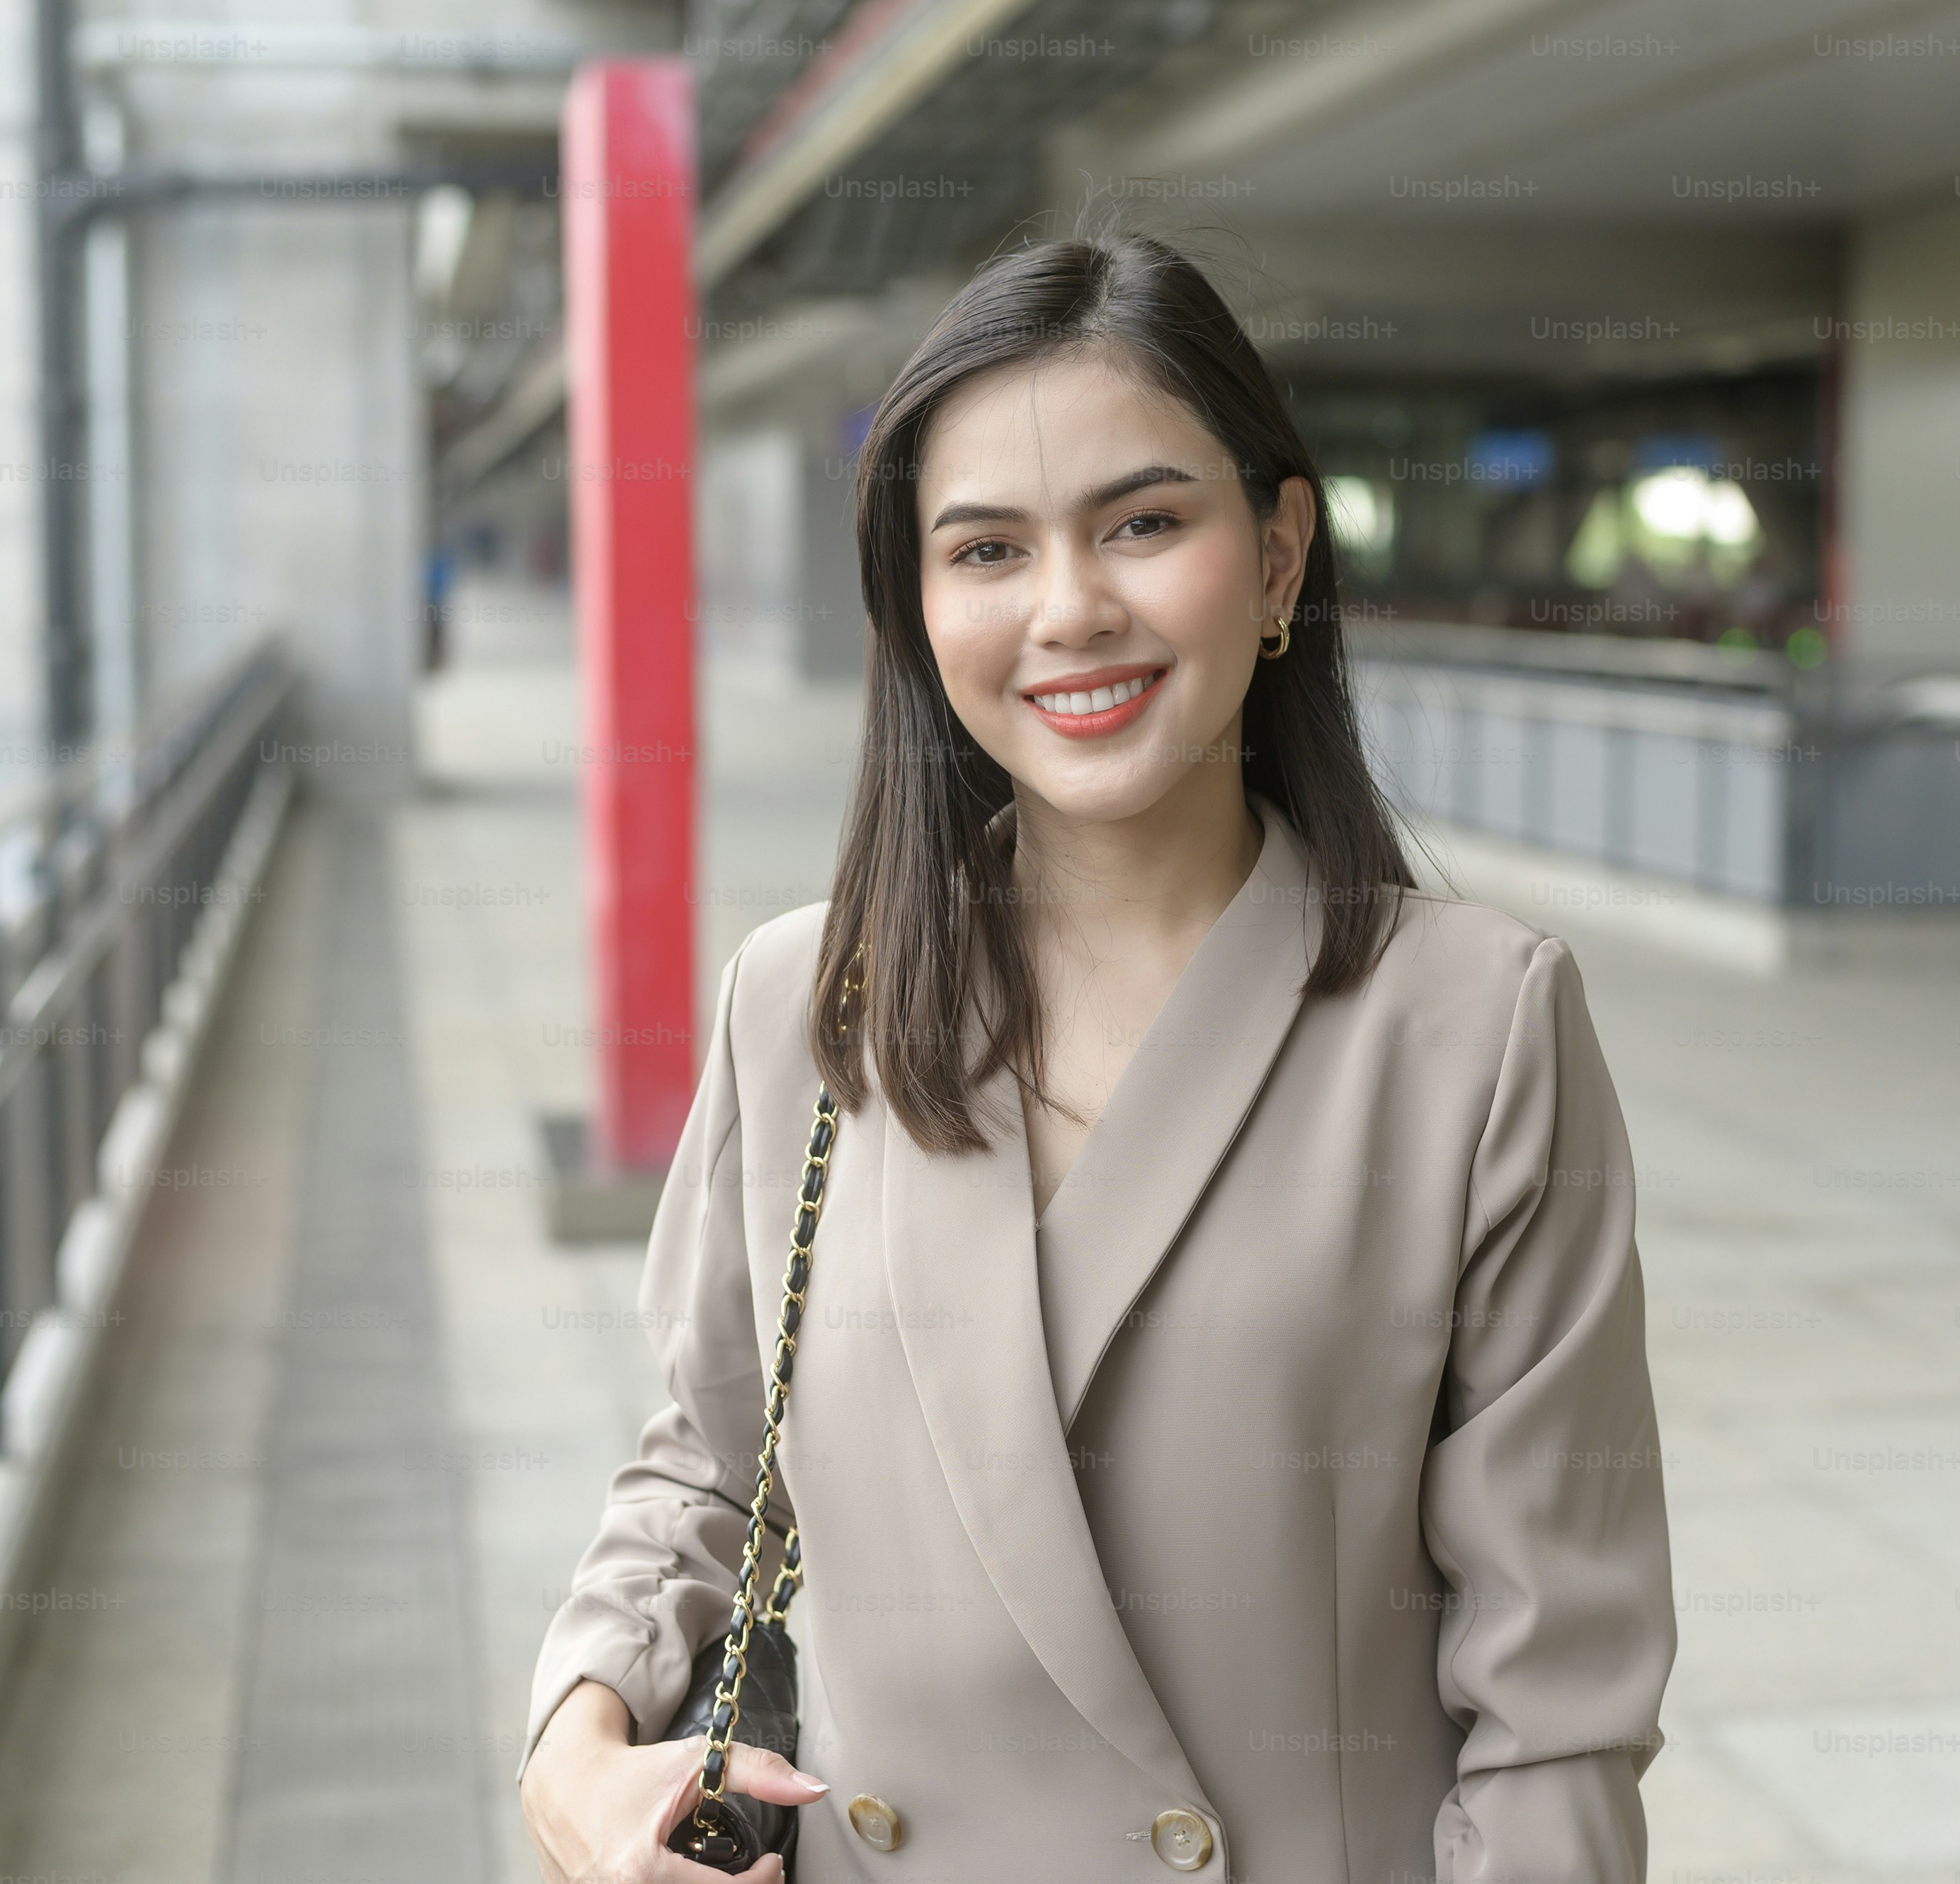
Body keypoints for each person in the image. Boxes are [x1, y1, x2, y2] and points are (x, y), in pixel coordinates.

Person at [516, 233, 1675, 1883]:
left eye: (1142, 523)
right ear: (918, 609)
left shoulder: (1472, 1028)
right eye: (986, 548)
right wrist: (574, 1740)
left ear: (1276, 557)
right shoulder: (805, 1001)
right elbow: (709, 1459)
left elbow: (1555, 1706)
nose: (1067, 610)